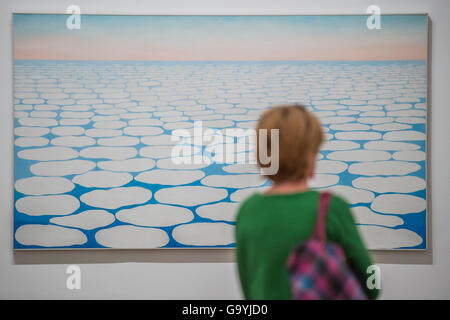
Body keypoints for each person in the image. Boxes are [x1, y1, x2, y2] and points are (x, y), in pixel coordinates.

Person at [235, 104, 379, 300]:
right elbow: (372, 283)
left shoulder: (248, 210)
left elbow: (249, 287)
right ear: (309, 154)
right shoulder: (332, 208)